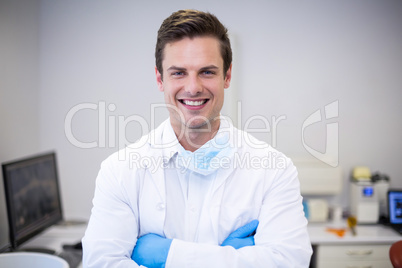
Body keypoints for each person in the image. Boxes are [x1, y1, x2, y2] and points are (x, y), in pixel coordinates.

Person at [82, 9, 312, 268]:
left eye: (207, 72)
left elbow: (290, 262)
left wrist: (167, 255)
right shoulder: (120, 170)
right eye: (178, 73)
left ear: (227, 76)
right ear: (160, 79)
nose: (193, 87)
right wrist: (233, 259)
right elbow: (100, 264)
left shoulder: (274, 169)